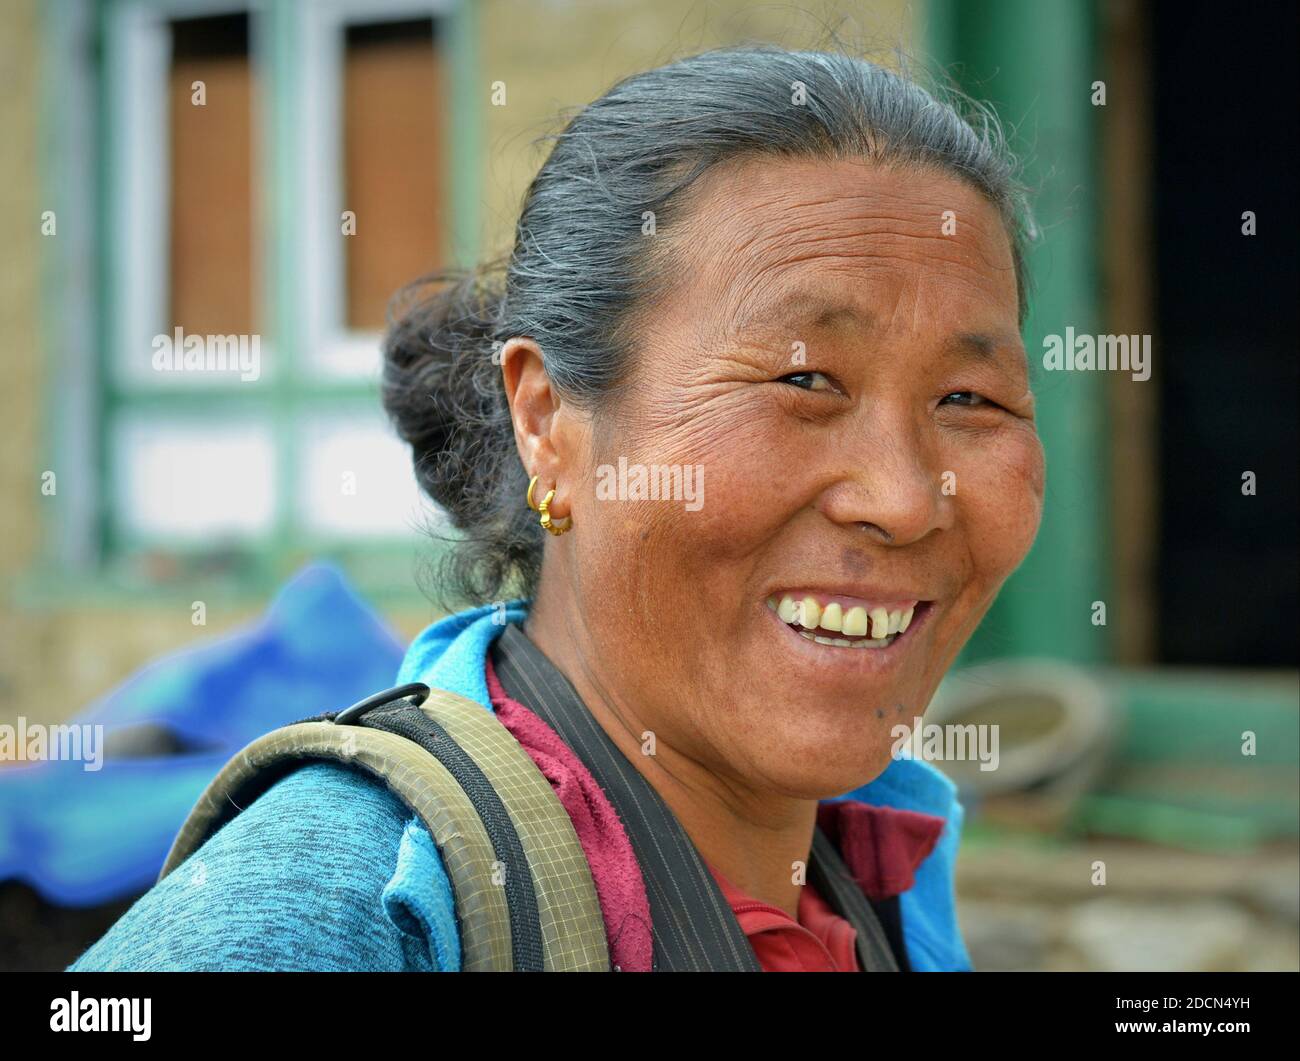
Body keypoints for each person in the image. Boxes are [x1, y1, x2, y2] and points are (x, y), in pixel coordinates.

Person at [70, 43, 1042, 972]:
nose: (905, 499)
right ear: (546, 420)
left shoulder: (880, 869)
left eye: (970, 399)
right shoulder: (331, 913)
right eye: (804, 378)